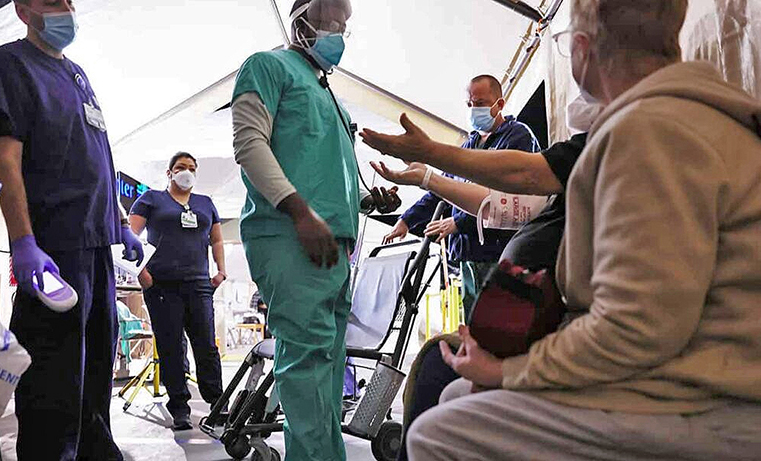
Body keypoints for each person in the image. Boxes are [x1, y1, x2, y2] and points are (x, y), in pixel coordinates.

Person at [403, 0, 761, 459]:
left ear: (582, 50)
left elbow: (635, 328)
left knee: (437, 433)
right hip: (718, 372)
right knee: (454, 396)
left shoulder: (649, 131)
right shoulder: (711, 116)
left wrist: (511, 371)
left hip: (722, 396)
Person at [364, 99, 598, 460]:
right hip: (533, 322)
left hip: (552, 332)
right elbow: (503, 204)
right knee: (435, 368)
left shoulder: (612, 151)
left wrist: (508, 371)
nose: (473, 107)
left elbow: (522, 175)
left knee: (436, 405)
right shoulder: (583, 163)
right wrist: (427, 177)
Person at [231, 0, 400, 459]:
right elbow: (249, 144)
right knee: (306, 365)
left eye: (344, 25)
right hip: (289, 233)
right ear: (301, 22)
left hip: (334, 243)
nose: (337, 33)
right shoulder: (267, 67)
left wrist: (367, 200)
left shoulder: (331, 97)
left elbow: (321, 169)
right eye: (329, 22)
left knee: (328, 369)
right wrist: (299, 211)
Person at [0, 0, 144, 459]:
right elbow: (7, 160)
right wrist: (23, 242)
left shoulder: (78, 75)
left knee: (95, 378)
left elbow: (97, 158)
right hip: (54, 250)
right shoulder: (8, 63)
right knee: (55, 383)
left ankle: (96, 451)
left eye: (70, 0)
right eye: (54, 1)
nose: (67, 9)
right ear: (23, 8)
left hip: (96, 247)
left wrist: (118, 222)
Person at [383, 75, 541, 321]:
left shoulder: (517, 137)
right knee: (470, 326)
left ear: (499, 104)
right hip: (465, 254)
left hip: (496, 253)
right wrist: (406, 220)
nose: (473, 109)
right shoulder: (469, 145)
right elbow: (442, 188)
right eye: (469, 104)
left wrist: (458, 223)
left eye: (480, 102)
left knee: (495, 327)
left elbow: (510, 196)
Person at [128, 152, 226, 431]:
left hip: (198, 284)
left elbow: (216, 238)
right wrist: (142, 273)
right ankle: (180, 408)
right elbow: (130, 238)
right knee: (171, 347)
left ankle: (217, 403)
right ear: (169, 173)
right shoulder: (150, 200)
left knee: (206, 346)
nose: (187, 172)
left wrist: (220, 270)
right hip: (162, 286)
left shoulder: (205, 204)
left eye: (192, 168)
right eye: (181, 167)